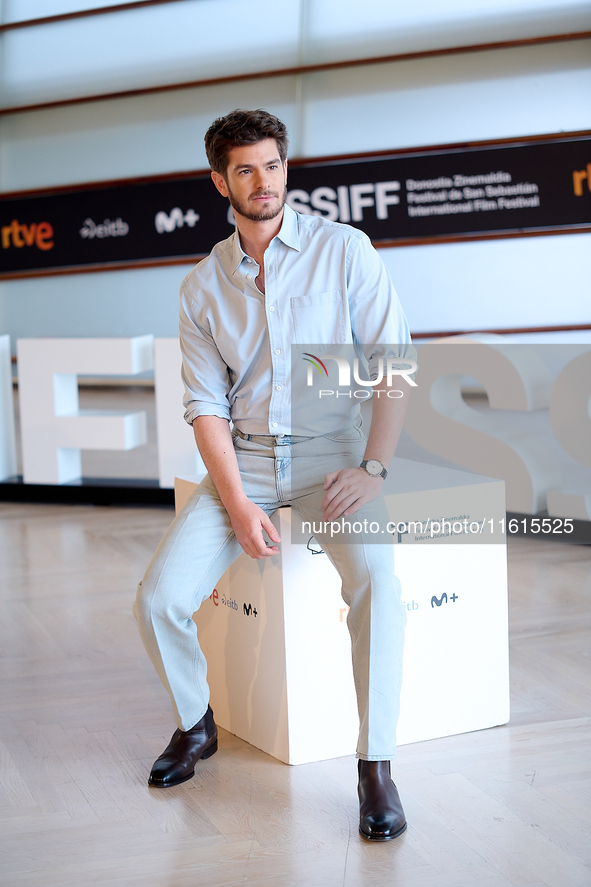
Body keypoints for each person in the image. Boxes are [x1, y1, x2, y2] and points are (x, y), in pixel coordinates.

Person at [134, 108, 413, 841]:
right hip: (247, 459)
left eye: (273, 165)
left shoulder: (344, 249)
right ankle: (197, 725)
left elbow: (390, 365)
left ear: (286, 167)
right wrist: (234, 498)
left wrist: (373, 467)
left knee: (380, 586)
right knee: (159, 596)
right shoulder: (201, 285)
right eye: (246, 169)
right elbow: (205, 406)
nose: (263, 182)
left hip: (333, 454)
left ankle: (374, 765)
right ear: (219, 180)